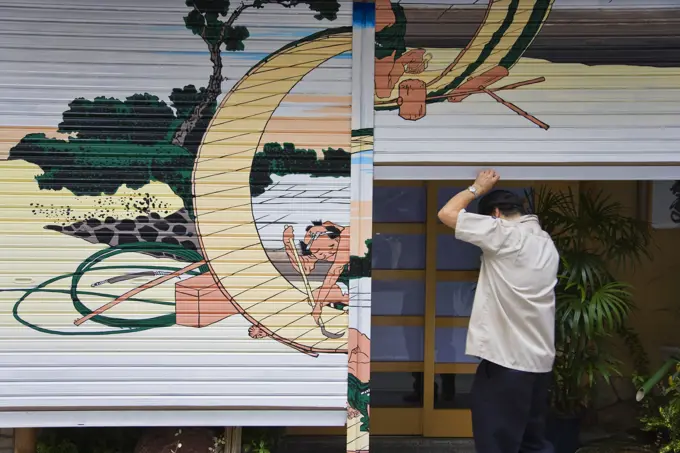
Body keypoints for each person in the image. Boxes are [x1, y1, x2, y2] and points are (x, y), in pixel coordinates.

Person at [437, 169, 559, 453]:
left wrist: (477, 187)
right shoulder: (545, 242)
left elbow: (447, 213)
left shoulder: (503, 233)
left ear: (494, 214)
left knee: (497, 443)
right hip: (539, 364)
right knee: (532, 443)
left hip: (507, 362)